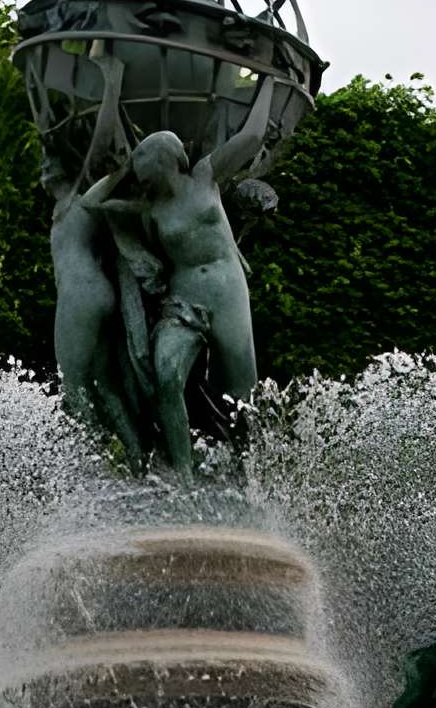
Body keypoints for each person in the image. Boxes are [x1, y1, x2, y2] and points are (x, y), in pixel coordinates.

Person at [86, 72, 276, 474]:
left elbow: (253, 136)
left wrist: (270, 82)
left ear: (167, 159)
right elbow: (90, 204)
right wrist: (119, 174)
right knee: (167, 373)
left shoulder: (205, 176)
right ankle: (185, 479)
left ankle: (246, 477)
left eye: (146, 162)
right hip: (184, 299)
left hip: (226, 295)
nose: (143, 170)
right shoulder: (150, 210)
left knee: (242, 397)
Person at [42, 55, 146, 464]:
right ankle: (137, 456)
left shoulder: (81, 199)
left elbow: (106, 147)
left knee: (75, 385)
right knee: (105, 384)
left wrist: (112, 86)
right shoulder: (70, 204)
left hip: (80, 297)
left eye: (49, 162)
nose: (43, 169)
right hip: (96, 294)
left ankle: (92, 467)